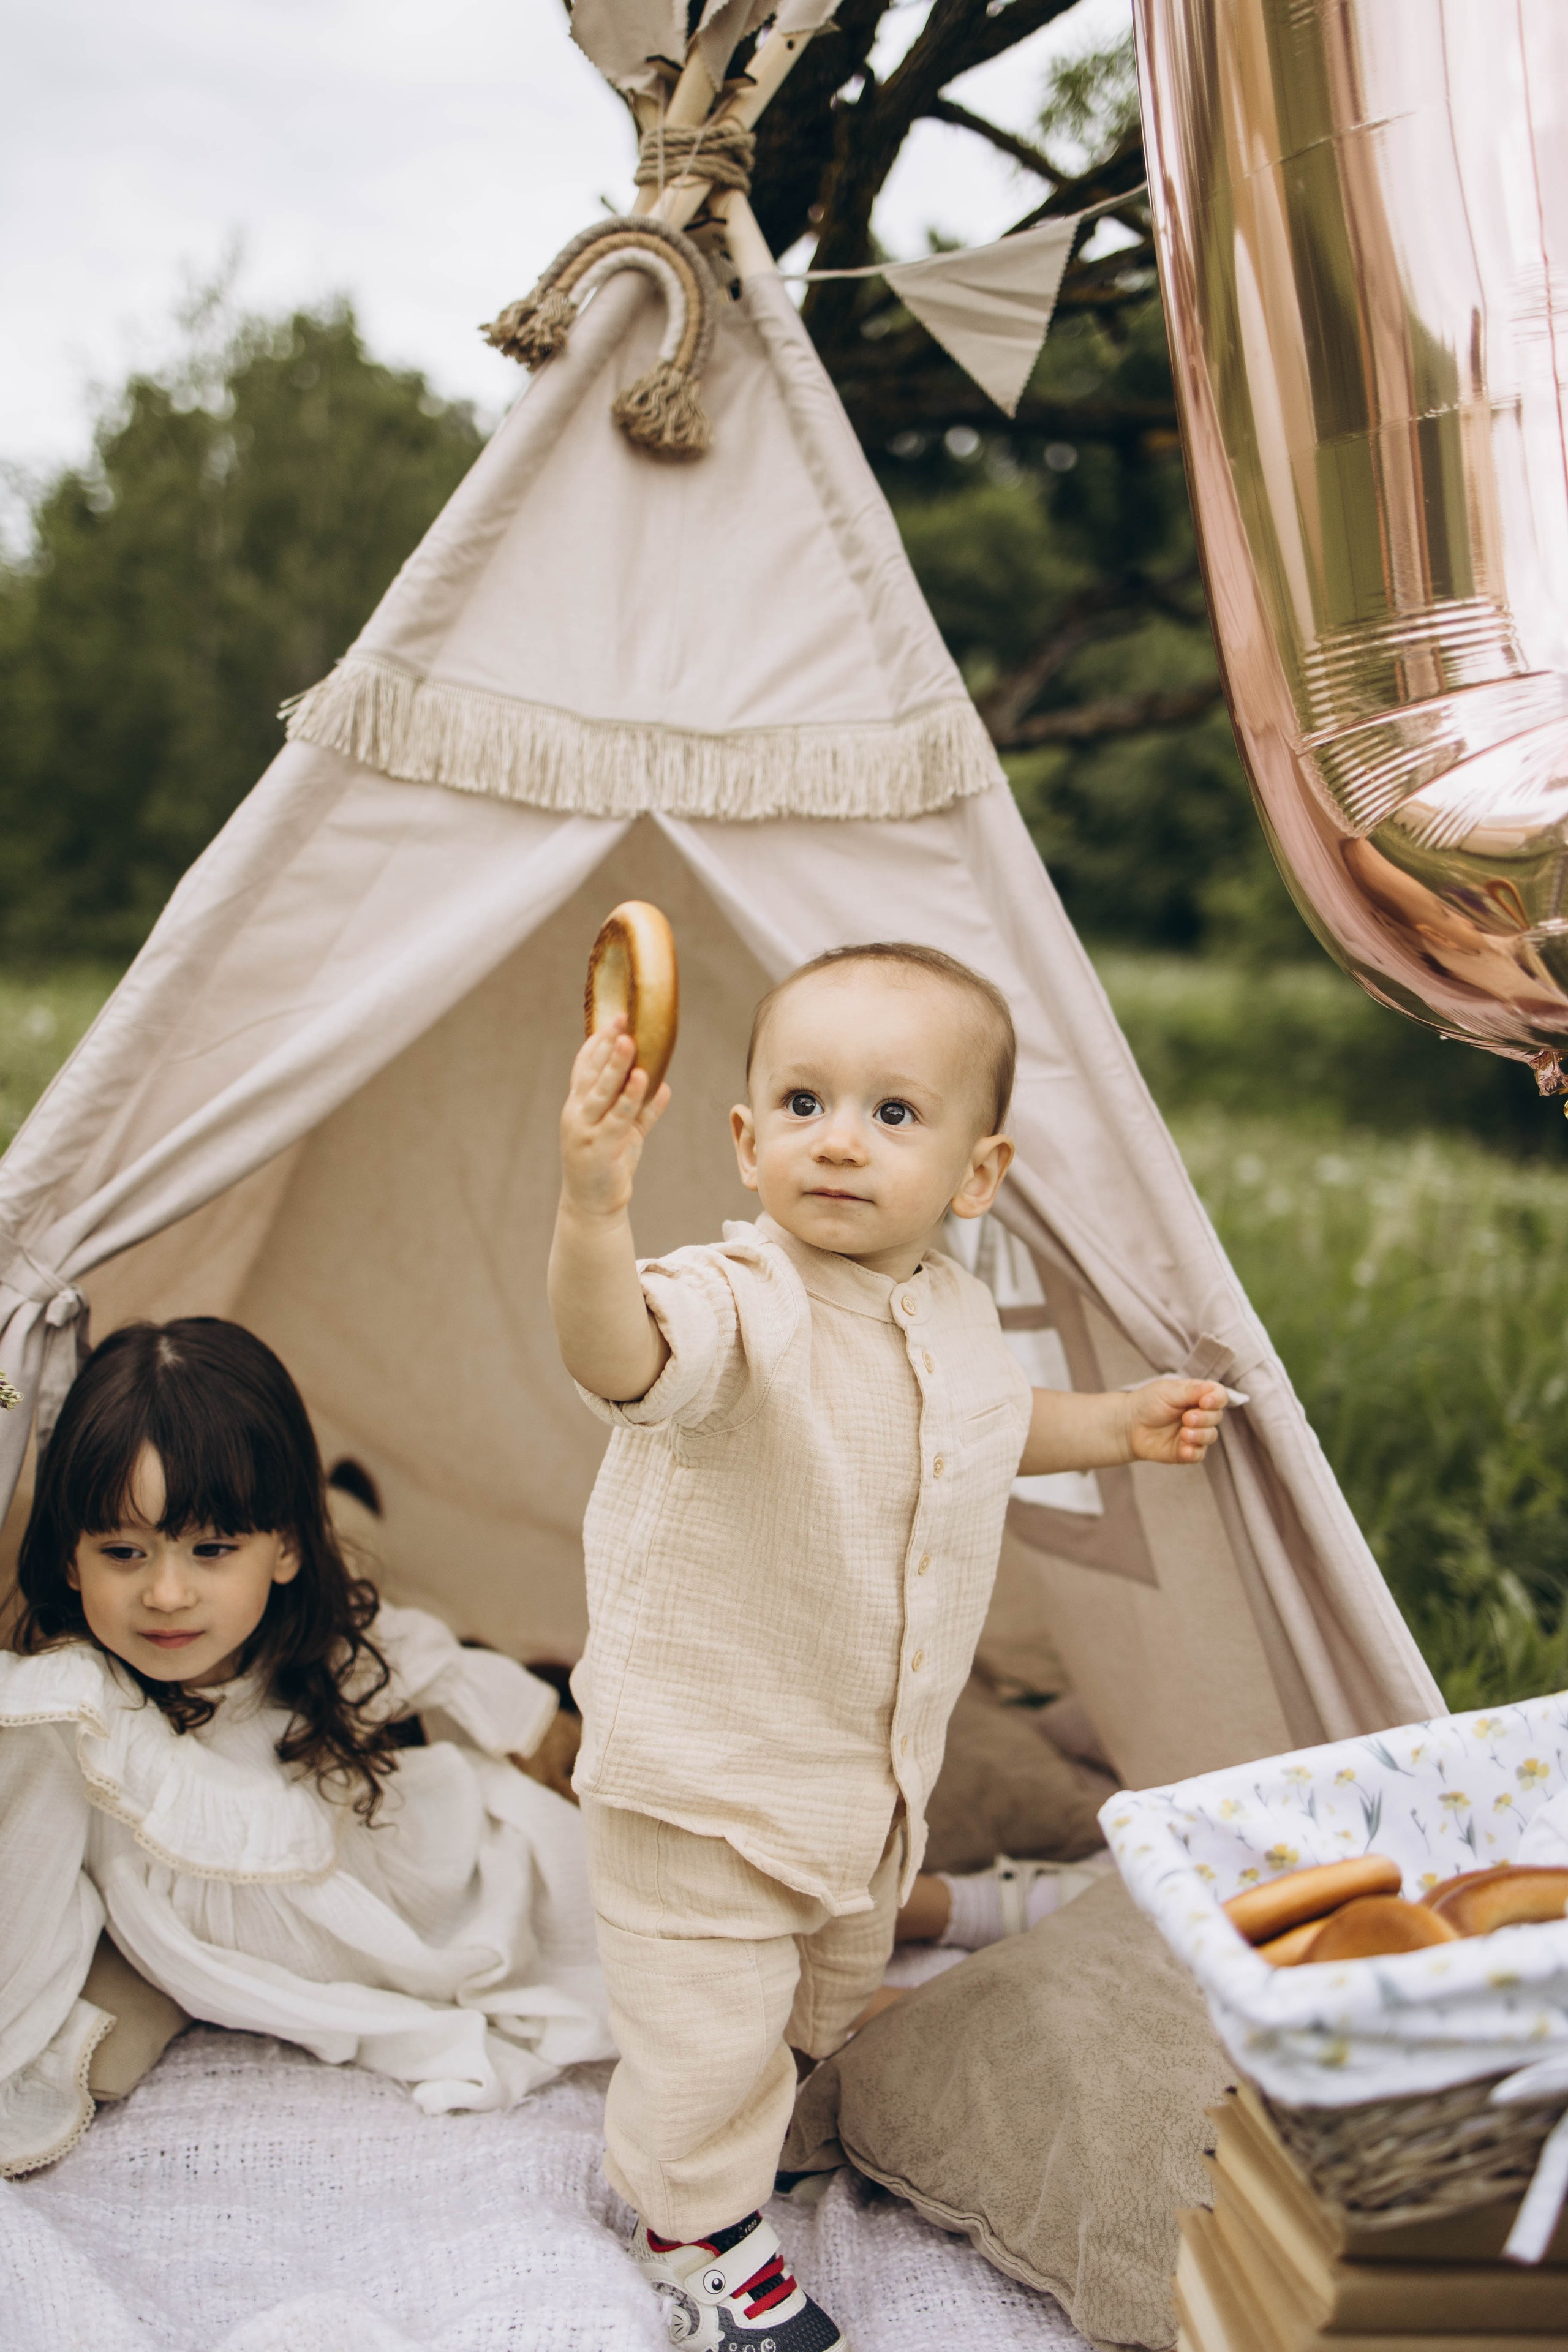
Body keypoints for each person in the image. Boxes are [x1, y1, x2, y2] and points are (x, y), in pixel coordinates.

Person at [550, 940, 1232, 2352]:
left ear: (975, 1177)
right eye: (801, 1104)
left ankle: (776, 2113)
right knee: (706, 2019)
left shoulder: (955, 1313)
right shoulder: (739, 1299)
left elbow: (992, 1420)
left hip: (860, 1778)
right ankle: (691, 2227)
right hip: (699, 1778)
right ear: (745, 1142)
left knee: (821, 1986)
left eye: (892, 1113)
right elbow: (619, 1356)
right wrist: (592, 1209)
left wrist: (1115, 1425)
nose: (839, 1141)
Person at [0, 1317, 612, 2179]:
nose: (166, 1593)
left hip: (435, 1875)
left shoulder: (307, 1644)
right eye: (123, 1552)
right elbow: (22, 1911)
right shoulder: (73, 1713)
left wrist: (535, 1723)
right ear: (71, 1560)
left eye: (212, 1549)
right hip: (287, 1942)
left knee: (589, 1884)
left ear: (284, 1546)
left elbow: (415, 1656)